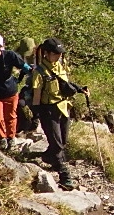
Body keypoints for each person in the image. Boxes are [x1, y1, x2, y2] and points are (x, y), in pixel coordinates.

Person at [27, 37, 87, 190]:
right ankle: (65, 176)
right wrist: (36, 114)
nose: (59, 56)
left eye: (60, 53)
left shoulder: (60, 66)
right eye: (55, 53)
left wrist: (80, 89)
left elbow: (64, 83)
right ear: (46, 53)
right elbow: (37, 96)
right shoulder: (39, 72)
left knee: (63, 140)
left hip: (64, 108)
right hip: (48, 110)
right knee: (58, 144)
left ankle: (49, 156)